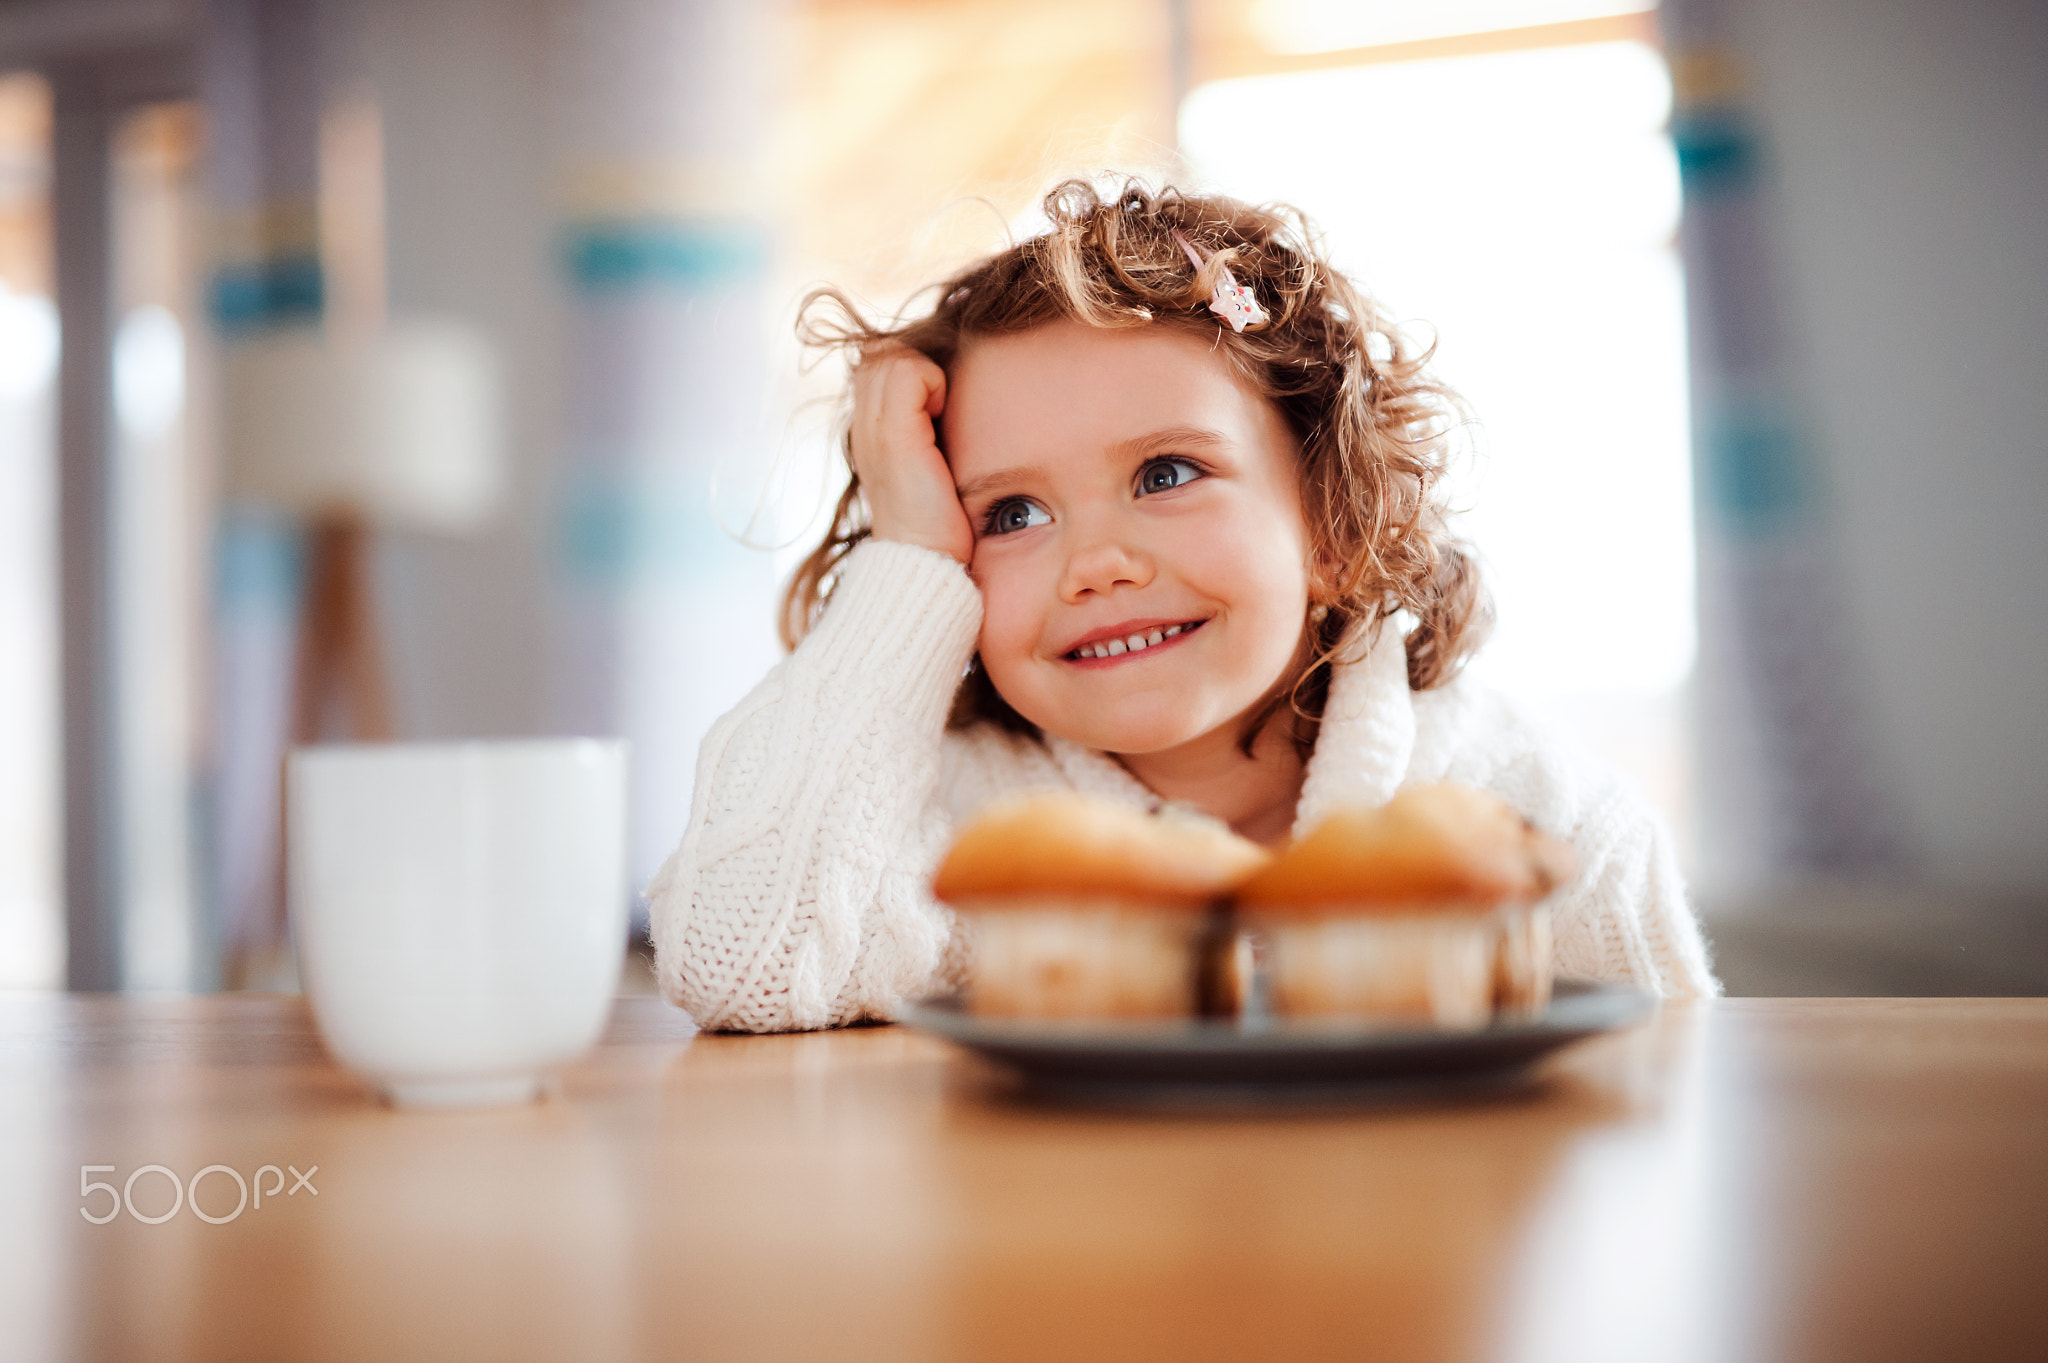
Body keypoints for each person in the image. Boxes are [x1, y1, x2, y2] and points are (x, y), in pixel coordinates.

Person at [649, 179, 1717, 1033]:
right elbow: (740, 962)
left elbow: (1665, 1100)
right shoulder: (961, 832)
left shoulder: (1528, 813)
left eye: (1164, 474)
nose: (1095, 563)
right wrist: (908, 549)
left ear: (1334, 529)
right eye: (1012, 511)